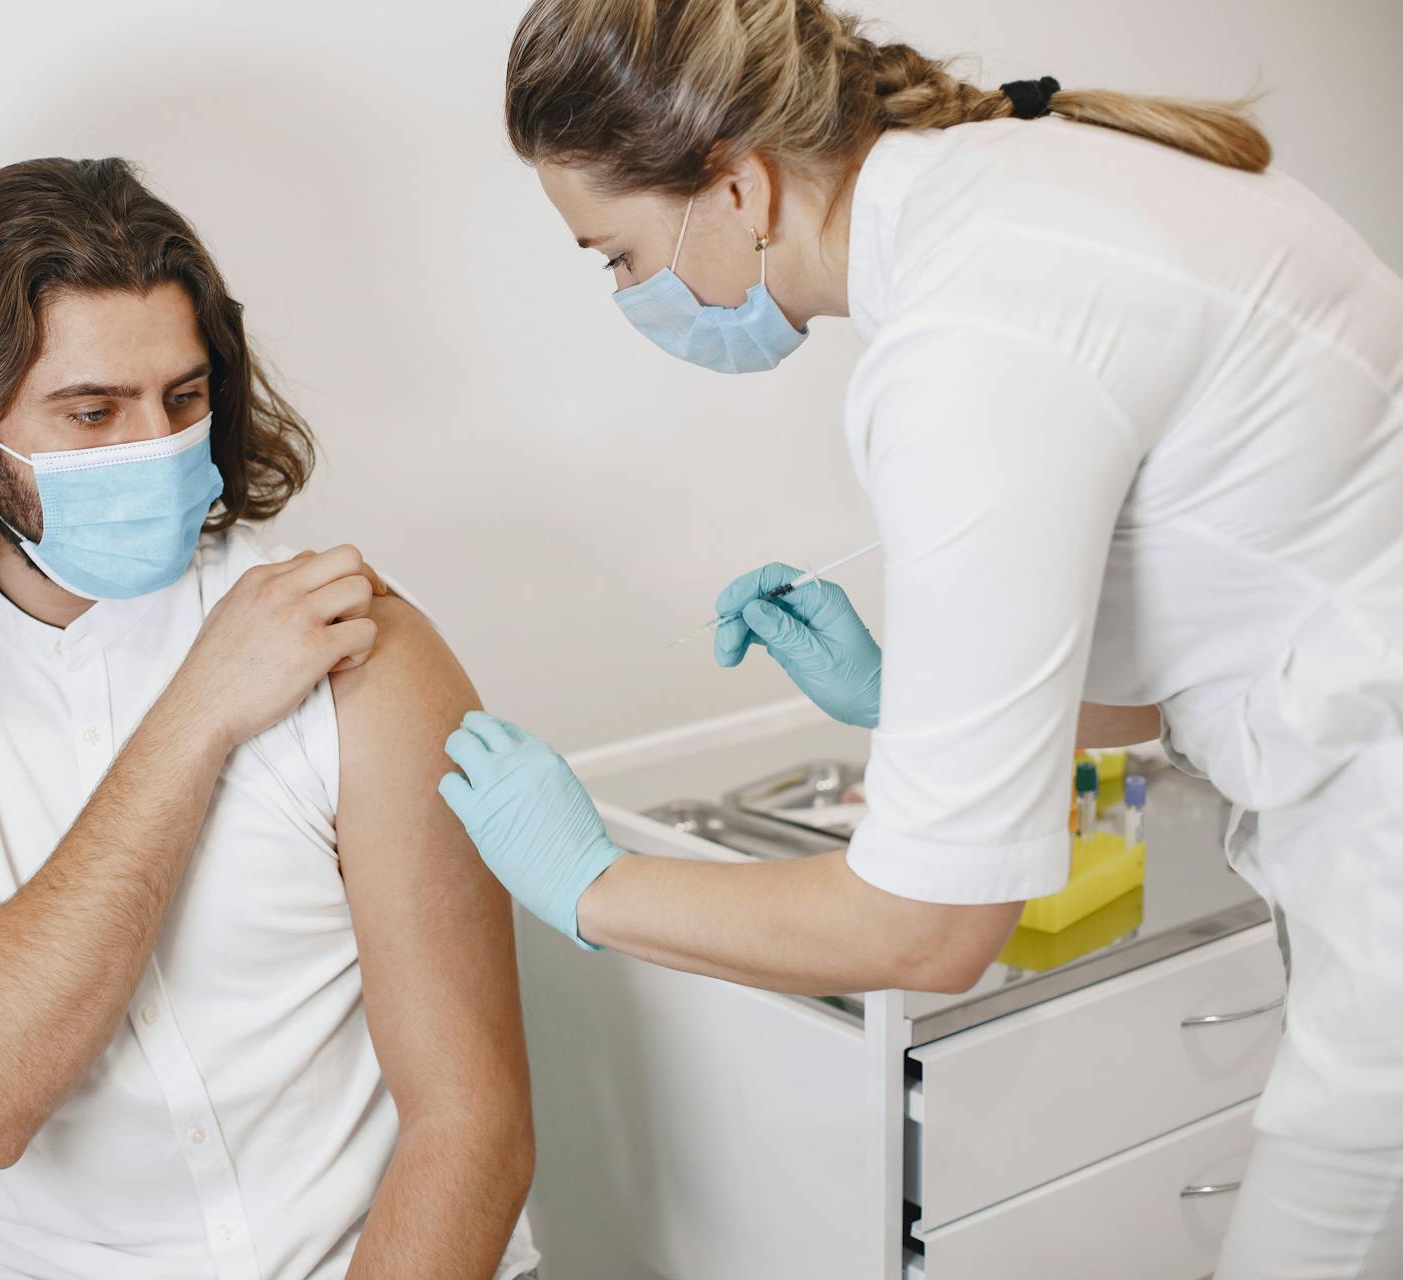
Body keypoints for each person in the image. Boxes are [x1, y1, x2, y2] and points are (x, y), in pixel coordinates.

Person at [436, 2, 1403, 1275]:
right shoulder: (1021, 189)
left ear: (737, 184)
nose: (631, 293)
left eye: (615, 254)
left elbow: (931, 931)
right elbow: (1229, 632)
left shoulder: (970, 338)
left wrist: (587, 882)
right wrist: (908, 697)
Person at [0, 157, 539, 1280]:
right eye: (92, 411)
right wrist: (201, 711)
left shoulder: (358, 644)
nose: (158, 447)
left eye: (182, 397)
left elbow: (474, 1126)